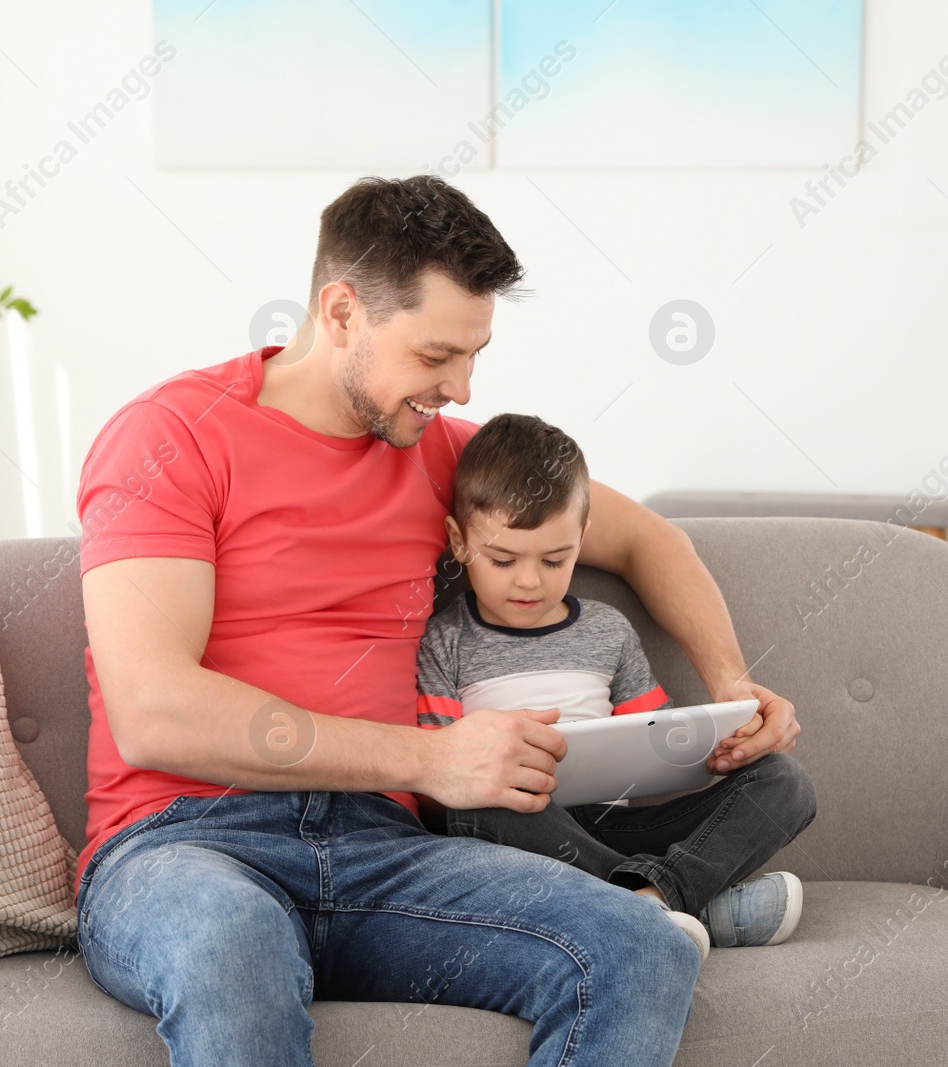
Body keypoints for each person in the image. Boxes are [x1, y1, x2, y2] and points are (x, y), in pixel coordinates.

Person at [72, 174, 804, 1067]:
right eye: (435, 356)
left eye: (473, 354)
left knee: (639, 946)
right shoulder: (171, 437)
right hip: (184, 844)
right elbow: (154, 710)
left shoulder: (439, 460)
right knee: (233, 942)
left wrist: (732, 684)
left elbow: (653, 539)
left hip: (382, 850)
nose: (459, 388)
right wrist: (432, 757)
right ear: (342, 312)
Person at [416, 413, 816, 961]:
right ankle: (680, 902)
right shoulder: (445, 641)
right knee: (479, 809)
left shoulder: (607, 631)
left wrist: (726, 739)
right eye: (503, 559)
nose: (529, 580)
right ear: (459, 542)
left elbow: (660, 740)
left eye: (555, 560)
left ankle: (651, 901)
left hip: (615, 829)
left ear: (582, 540)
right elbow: (437, 788)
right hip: (526, 834)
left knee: (785, 781)